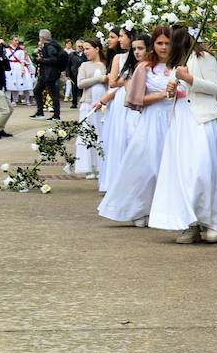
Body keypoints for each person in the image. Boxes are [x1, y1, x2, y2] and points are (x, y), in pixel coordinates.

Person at [147, 27, 217, 243]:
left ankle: (213, 221)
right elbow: (180, 93)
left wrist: (189, 79)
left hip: (201, 118)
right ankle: (190, 224)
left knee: (203, 169)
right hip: (181, 120)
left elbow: (215, 88)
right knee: (183, 172)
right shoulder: (174, 63)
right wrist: (173, 90)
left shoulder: (204, 58)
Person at [98, 27, 175, 227]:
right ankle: (139, 208)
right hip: (152, 119)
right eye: (160, 43)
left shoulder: (179, 66)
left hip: (175, 118)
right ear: (154, 45)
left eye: (167, 43)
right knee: (148, 166)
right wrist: (162, 95)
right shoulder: (145, 68)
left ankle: (164, 209)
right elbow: (136, 99)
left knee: (169, 167)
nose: (164, 47)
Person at [93, 29, 139, 194]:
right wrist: (128, 79)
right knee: (118, 138)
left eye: (121, 36)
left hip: (136, 98)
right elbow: (112, 82)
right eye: (118, 36)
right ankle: (115, 180)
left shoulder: (142, 58)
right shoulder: (119, 58)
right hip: (121, 100)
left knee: (132, 137)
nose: (119, 40)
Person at [74, 39, 108, 179]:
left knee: (100, 133)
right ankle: (88, 166)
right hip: (88, 103)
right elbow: (80, 84)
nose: (85, 52)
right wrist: (98, 79)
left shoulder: (105, 65)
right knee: (87, 133)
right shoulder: (84, 66)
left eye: (88, 48)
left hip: (102, 105)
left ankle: (100, 165)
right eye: (84, 49)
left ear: (97, 49)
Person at [31, 29, 64, 120]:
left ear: (42, 37)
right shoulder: (46, 46)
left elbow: (53, 60)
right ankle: (40, 112)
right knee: (37, 91)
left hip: (50, 74)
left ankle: (56, 115)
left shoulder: (50, 47)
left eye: (39, 37)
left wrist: (40, 60)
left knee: (53, 94)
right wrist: (37, 58)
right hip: (44, 73)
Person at [8, 38, 33, 106]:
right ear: (11, 41)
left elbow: (22, 60)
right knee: (12, 84)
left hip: (18, 67)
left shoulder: (20, 51)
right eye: (15, 40)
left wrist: (22, 69)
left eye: (17, 41)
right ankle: (14, 100)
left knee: (20, 82)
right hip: (10, 66)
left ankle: (26, 100)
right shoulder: (7, 49)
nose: (17, 42)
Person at [0, 39, 11, 138]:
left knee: (10, 109)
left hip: (1, 86)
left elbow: (7, 68)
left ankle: (0, 129)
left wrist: (4, 56)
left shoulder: (1, 55)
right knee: (4, 110)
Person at [66, 39, 84, 107]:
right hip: (74, 74)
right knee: (74, 89)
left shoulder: (85, 55)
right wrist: (68, 74)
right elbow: (68, 65)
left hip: (83, 75)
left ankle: (83, 101)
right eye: (78, 46)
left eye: (81, 46)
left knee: (82, 89)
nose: (80, 48)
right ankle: (74, 103)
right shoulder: (72, 54)